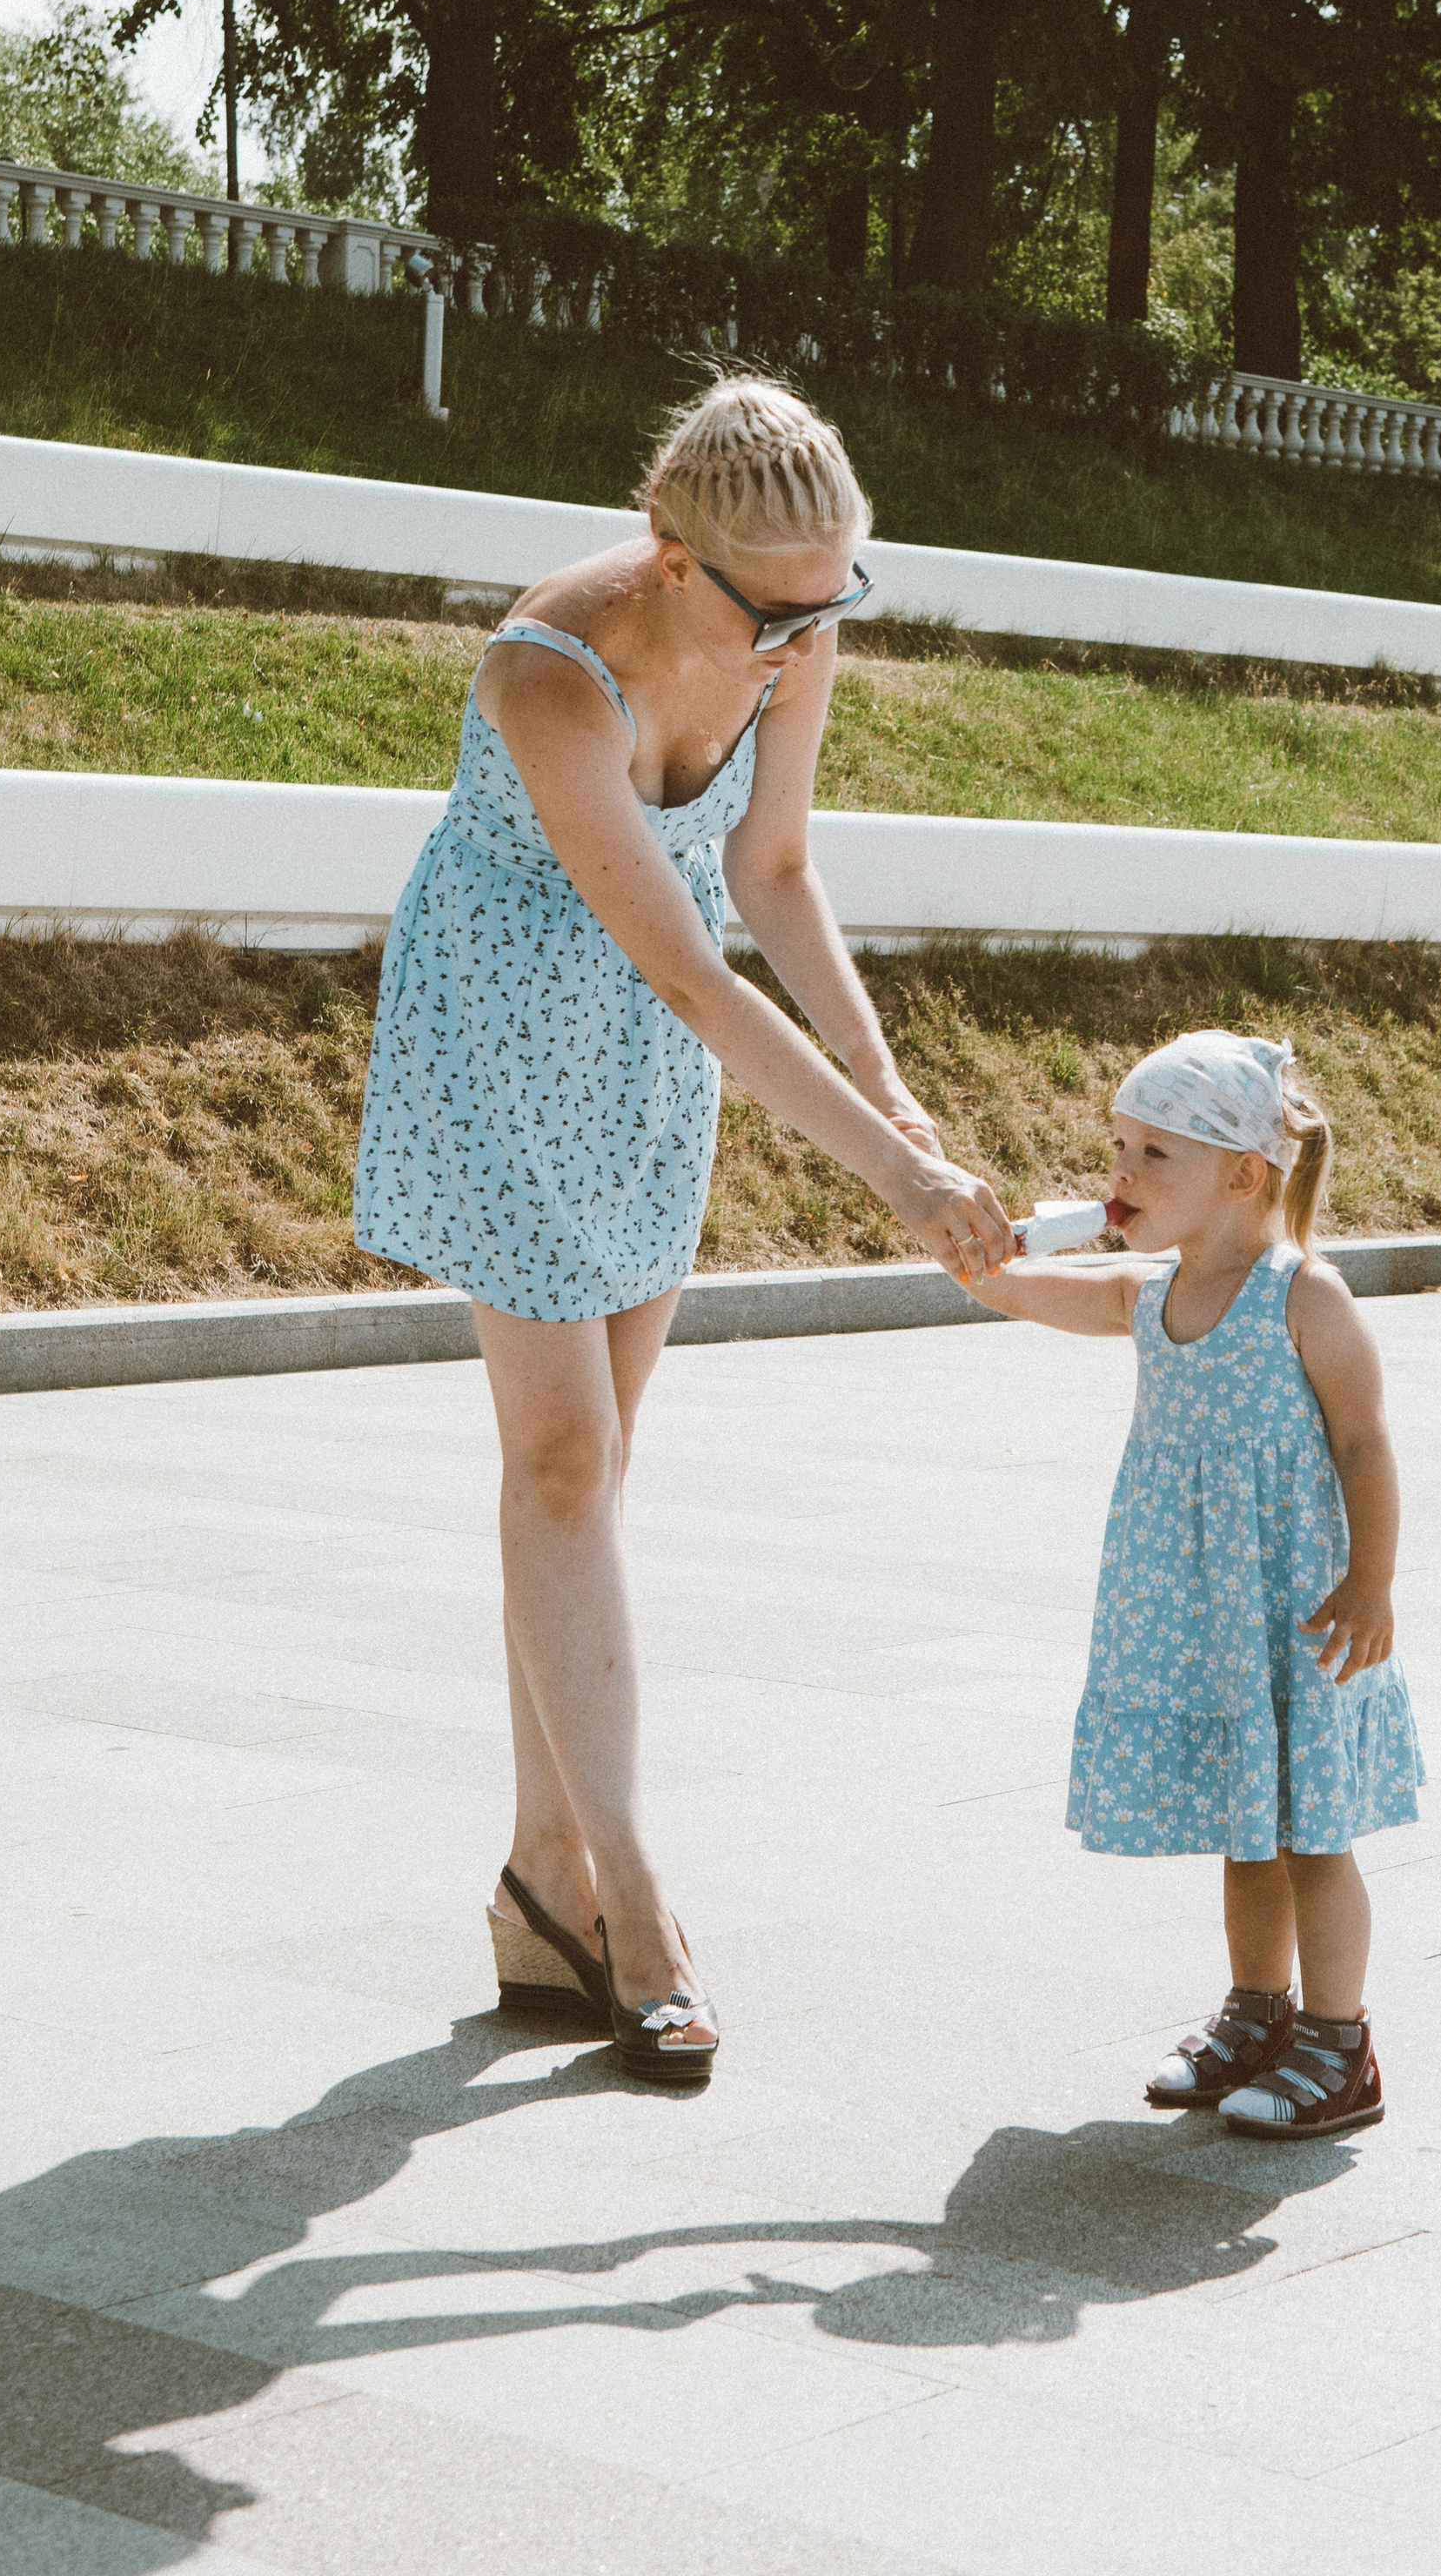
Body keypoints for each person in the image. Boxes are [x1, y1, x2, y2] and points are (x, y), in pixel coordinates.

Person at [353, 376, 1017, 2087]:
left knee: (591, 1465)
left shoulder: (790, 627)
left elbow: (776, 871)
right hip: (511, 1023)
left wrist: (897, 1094)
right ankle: (631, 1906)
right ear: (665, 551)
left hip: (654, 1050)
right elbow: (688, 954)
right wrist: (896, 1179)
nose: (803, 640)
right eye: (771, 608)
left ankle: (535, 1882)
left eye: (833, 602)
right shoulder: (543, 671)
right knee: (562, 1461)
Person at [958, 1030, 1424, 2137]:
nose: (1119, 1176)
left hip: (1296, 1609)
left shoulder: (1304, 1297)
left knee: (1312, 1835)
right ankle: (1258, 2016)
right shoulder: (1142, 1289)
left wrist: (1373, 1584)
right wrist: (980, 1251)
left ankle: (1338, 2041)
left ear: (1241, 1174)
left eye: (1152, 1154)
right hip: (1197, 1612)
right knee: (1244, 1828)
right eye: (1117, 1149)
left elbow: (1364, 1443)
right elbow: (1015, 1293)